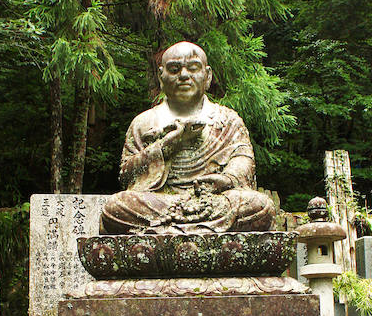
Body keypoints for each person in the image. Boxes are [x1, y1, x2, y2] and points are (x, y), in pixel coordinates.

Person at [99, 41, 276, 235]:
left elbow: (243, 161)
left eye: (193, 68)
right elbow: (127, 176)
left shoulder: (227, 119)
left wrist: (225, 180)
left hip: (213, 201)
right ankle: (201, 229)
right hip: (162, 202)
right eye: (174, 69)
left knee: (260, 206)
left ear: (207, 76)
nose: (183, 75)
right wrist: (167, 145)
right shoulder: (144, 122)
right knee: (115, 207)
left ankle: (170, 230)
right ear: (161, 76)